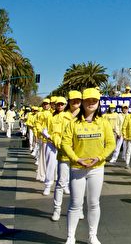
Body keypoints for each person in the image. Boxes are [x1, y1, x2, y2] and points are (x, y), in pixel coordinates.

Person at [62, 88, 115, 244]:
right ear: (82, 102)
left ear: (98, 103)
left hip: (96, 168)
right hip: (77, 168)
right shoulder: (73, 123)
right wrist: (76, 159)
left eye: (94, 100)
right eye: (88, 100)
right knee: (75, 204)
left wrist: (99, 157)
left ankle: (93, 235)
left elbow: (111, 143)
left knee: (93, 203)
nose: (91, 103)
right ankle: (70, 237)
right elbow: (65, 143)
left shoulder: (104, 123)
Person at [51, 91, 82, 221]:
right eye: (73, 100)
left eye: (78, 100)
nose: (76, 102)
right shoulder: (60, 116)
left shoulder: (85, 116)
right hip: (64, 155)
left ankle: (79, 209)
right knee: (61, 183)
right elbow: (55, 134)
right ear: (69, 101)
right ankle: (57, 210)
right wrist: (62, 145)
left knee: (79, 185)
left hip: (80, 156)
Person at [42, 97, 66, 195]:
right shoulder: (50, 116)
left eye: (62, 104)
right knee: (50, 165)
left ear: (65, 105)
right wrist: (49, 137)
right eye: (58, 104)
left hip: (64, 144)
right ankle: (48, 185)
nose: (60, 106)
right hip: (51, 143)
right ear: (55, 105)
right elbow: (44, 129)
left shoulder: (68, 116)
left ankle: (65, 185)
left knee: (65, 166)